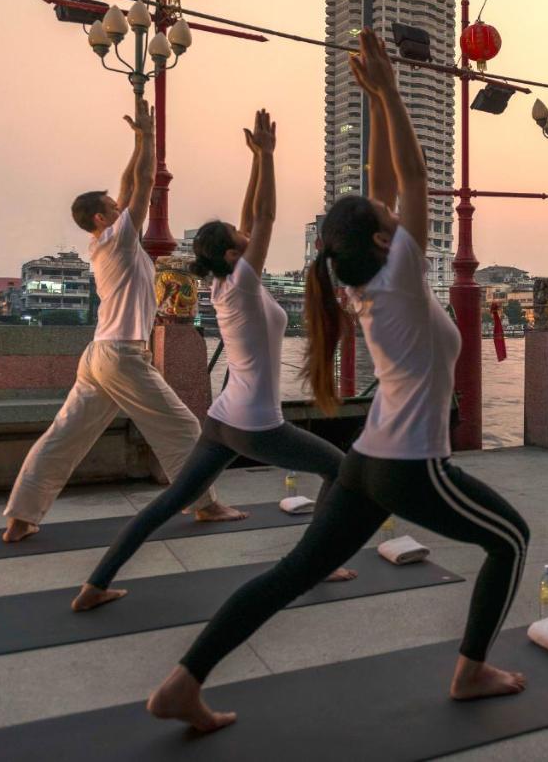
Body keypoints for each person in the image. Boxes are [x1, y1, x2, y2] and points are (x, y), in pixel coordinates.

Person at [145, 29, 530, 732]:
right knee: (510, 539)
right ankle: (471, 669)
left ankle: (182, 681)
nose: (395, 213)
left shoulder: (359, 280)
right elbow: (411, 179)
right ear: (387, 240)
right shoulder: (402, 279)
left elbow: (385, 186)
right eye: (389, 220)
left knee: (291, 572)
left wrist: (379, 102)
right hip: (411, 464)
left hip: (364, 462)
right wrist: (386, 91)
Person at [71, 109, 355, 612]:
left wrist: (255, 161)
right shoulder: (241, 281)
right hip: (254, 424)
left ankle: (95, 584)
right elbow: (264, 219)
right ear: (231, 255)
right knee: (339, 468)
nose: (247, 235)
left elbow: (250, 220)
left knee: (169, 501)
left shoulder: (230, 282)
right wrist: (268, 157)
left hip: (223, 420)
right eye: (237, 238)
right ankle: (318, 562)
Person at [1, 98, 244, 544]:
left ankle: (21, 515)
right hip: (122, 355)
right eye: (115, 206)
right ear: (102, 217)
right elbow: (144, 182)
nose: (122, 208)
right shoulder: (117, 240)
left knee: (65, 437)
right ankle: (206, 504)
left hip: (98, 356)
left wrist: (137, 142)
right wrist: (149, 139)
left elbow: (130, 181)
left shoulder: (106, 244)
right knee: (183, 428)